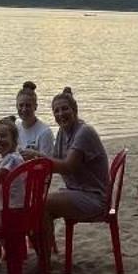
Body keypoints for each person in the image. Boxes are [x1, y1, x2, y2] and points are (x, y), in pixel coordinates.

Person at [39, 87, 110, 259]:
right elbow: (53, 162)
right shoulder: (63, 132)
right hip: (75, 191)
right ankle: (45, 255)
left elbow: (68, 166)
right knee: (35, 205)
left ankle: (44, 262)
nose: (60, 114)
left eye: (65, 108)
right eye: (56, 110)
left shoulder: (84, 132)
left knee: (41, 204)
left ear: (75, 110)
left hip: (93, 197)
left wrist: (39, 159)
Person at [13, 80, 54, 157]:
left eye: (28, 105)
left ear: (35, 107)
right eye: (21, 105)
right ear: (16, 106)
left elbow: (49, 162)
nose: (24, 109)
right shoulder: (15, 127)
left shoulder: (45, 132)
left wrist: (36, 155)